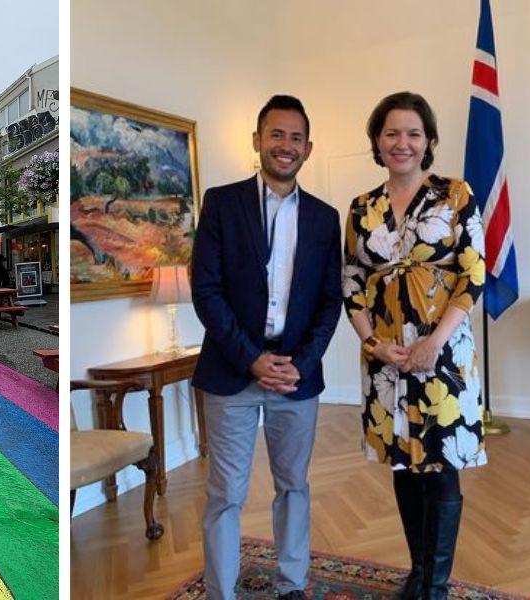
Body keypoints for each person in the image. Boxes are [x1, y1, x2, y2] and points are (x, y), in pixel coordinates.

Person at [191, 95, 342, 600]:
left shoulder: (324, 218)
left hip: (296, 377)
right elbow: (206, 291)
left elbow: (330, 300)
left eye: (296, 137)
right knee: (225, 493)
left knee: (294, 485)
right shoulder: (221, 202)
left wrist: (298, 363)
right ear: (257, 141)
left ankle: (292, 586)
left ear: (308, 148)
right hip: (233, 371)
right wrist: (252, 358)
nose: (286, 145)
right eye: (276, 135)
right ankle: (220, 593)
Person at [343, 92, 486, 600]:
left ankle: (436, 586)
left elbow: (472, 274)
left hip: (443, 354)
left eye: (413, 134)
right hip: (387, 360)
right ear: (376, 142)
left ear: (427, 142)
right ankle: (418, 570)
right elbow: (352, 281)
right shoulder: (362, 208)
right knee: (404, 465)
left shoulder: (454, 194)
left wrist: (434, 343)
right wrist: (372, 344)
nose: (402, 143)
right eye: (391, 133)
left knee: (440, 465)